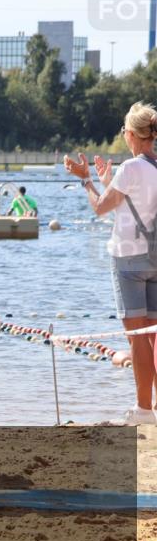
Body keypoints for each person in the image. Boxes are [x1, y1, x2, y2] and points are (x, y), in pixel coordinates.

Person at [64, 102, 157, 425]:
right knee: (155, 335)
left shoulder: (131, 168)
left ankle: (144, 410)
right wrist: (107, 179)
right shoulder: (153, 168)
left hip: (129, 260)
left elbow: (102, 208)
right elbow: (131, 203)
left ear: (130, 134)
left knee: (138, 336)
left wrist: (87, 180)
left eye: (123, 131)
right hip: (155, 259)